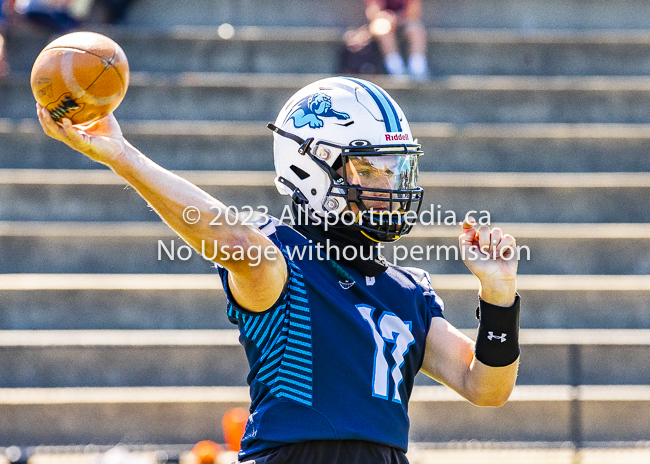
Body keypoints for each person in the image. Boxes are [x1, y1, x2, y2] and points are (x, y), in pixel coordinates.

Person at [37, 76, 520, 464]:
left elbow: (486, 387)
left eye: (394, 171)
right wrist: (124, 158)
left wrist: (499, 297)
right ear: (312, 169)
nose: (388, 185)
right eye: (370, 170)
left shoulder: (406, 289)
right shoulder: (281, 258)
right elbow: (232, 239)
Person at [365, 0, 430, 79]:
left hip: (405, 21)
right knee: (383, 28)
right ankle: (396, 69)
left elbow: (413, 14)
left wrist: (396, 19)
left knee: (416, 30)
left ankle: (418, 69)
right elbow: (373, 12)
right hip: (383, 21)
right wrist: (388, 18)